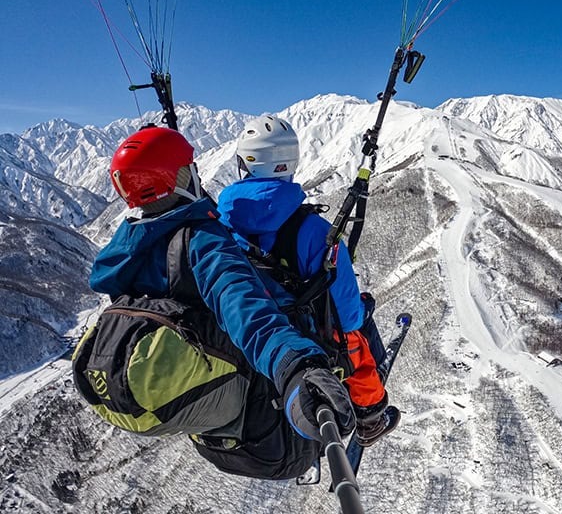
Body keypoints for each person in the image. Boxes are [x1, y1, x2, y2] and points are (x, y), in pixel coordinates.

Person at [79, 124, 356, 479]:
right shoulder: (204, 244)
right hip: (273, 438)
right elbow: (245, 310)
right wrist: (294, 367)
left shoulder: (130, 254)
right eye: (190, 168)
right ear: (181, 177)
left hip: (209, 426)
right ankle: (370, 411)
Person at [216, 115, 399, 447]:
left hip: (249, 329)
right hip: (304, 336)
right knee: (357, 329)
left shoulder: (219, 225)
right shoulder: (315, 233)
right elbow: (348, 316)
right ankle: (370, 415)